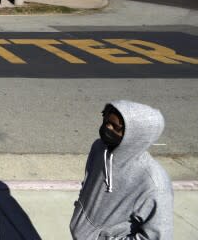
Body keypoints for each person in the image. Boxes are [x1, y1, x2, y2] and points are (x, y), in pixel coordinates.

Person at [70, 101, 173, 239]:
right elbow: (88, 183)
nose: (107, 127)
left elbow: (159, 236)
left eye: (115, 127)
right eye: (106, 120)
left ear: (135, 134)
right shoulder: (99, 148)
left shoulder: (154, 184)